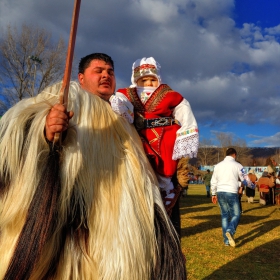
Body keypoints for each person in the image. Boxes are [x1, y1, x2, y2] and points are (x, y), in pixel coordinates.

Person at [0, 53, 186, 279]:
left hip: (125, 222)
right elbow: (17, 133)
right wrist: (46, 130)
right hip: (75, 223)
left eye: (110, 72)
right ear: (80, 77)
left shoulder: (125, 112)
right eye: (98, 71)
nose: (106, 75)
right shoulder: (63, 98)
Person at [110, 57, 199, 213]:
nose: (148, 84)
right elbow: (123, 101)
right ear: (135, 79)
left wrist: (186, 132)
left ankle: (167, 186)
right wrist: (119, 103)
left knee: (166, 157)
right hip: (139, 133)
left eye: (152, 79)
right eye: (143, 80)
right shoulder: (127, 93)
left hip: (165, 133)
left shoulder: (169, 94)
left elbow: (184, 110)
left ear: (158, 78)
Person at [210, 148, 253, 247]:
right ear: (234, 155)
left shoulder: (218, 166)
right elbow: (246, 180)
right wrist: (253, 185)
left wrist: (213, 194)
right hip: (231, 192)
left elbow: (214, 180)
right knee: (236, 214)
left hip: (220, 192)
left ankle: (226, 241)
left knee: (225, 216)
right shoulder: (238, 165)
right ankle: (230, 230)